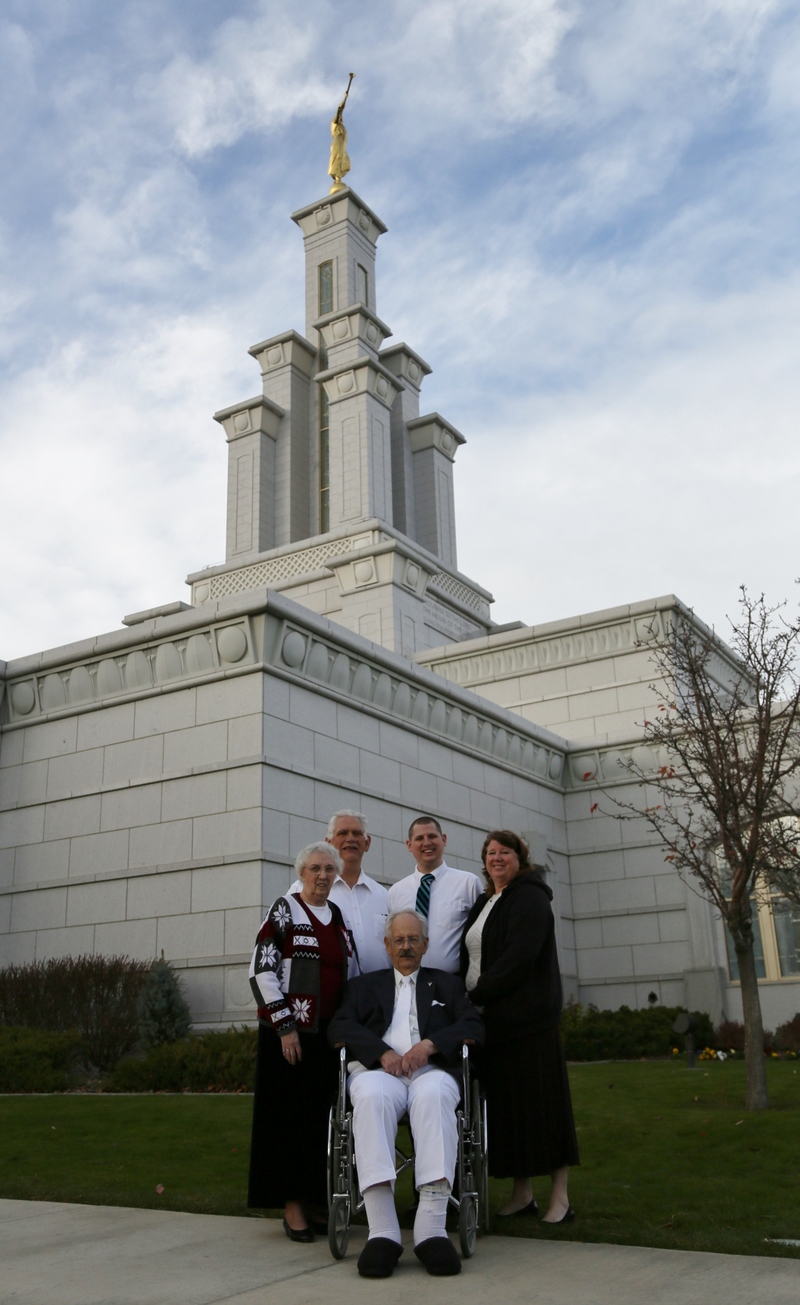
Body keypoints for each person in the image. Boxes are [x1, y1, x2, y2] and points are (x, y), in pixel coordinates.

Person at [328, 909, 484, 1279]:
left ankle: (431, 1230)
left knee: (433, 1097)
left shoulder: (447, 985)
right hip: (379, 1072)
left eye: (414, 939)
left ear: (426, 945)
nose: (406, 947)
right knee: (370, 1098)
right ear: (386, 945)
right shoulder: (363, 986)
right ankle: (383, 1231)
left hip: (431, 1071)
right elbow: (340, 1025)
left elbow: (474, 1024)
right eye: (399, 940)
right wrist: (381, 1053)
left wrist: (429, 1045)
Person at [460, 830, 579, 1223]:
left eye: (505, 852)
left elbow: (518, 958)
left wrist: (477, 993)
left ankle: (560, 1198)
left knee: (545, 1108)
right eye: (491, 853)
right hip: (495, 1023)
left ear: (519, 858)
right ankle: (522, 1194)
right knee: (512, 1113)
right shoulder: (487, 901)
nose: (497, 858)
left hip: (529, 1022)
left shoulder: (530, 897)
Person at [247, 842, 358, 1241]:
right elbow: (262, 971)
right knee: (288, 1122)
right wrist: (285, 1025)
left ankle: (314, 1201)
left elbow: (351, 970)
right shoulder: (286, 908)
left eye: (330, 869)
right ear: (301, 872)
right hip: (290, 1038)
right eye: (315, 868)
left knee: (319, 1124)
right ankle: (292, 1208)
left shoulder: (338, 916)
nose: (323, 876)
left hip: (326, 1039)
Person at [287, 811, 390, 972]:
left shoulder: (384, 896)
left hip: (377, 992)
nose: (350, 838)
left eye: (357, 833)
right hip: (328, 992)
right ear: (328, 843)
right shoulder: (301, 889)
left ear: (367, 842)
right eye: (342, 833)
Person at [386, 816, 481, 973]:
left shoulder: (468, 884)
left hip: (454, 983)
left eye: (432, 836)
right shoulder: (396, 892)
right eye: (419, 838)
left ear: (443, 839)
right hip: (409, 980)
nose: (427, 843)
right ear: (409, 845)